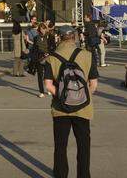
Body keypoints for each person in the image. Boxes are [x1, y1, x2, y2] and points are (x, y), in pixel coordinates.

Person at [44, 26, 98, 178]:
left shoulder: (52, 58)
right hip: (83, 109)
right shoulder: (87, 55)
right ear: (74, 37)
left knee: (60, 147)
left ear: (59, 38)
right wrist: (81, 98)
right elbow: (93, 84)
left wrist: (62, 98)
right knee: (83, 147)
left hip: (60, 109)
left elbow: (48, 85)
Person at [34, 23, 50, 98]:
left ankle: (48, 89)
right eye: (41, 29)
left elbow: (52, 46)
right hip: (39, 58)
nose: (43, 30)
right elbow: (35, 49)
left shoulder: (49, 37)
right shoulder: (36, 38)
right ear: (39, 30)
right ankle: (41, 91)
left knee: (48, 75)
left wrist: (48, 53)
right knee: (40, 76)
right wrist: (42, 53)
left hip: (48, 58)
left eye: (44, 29)